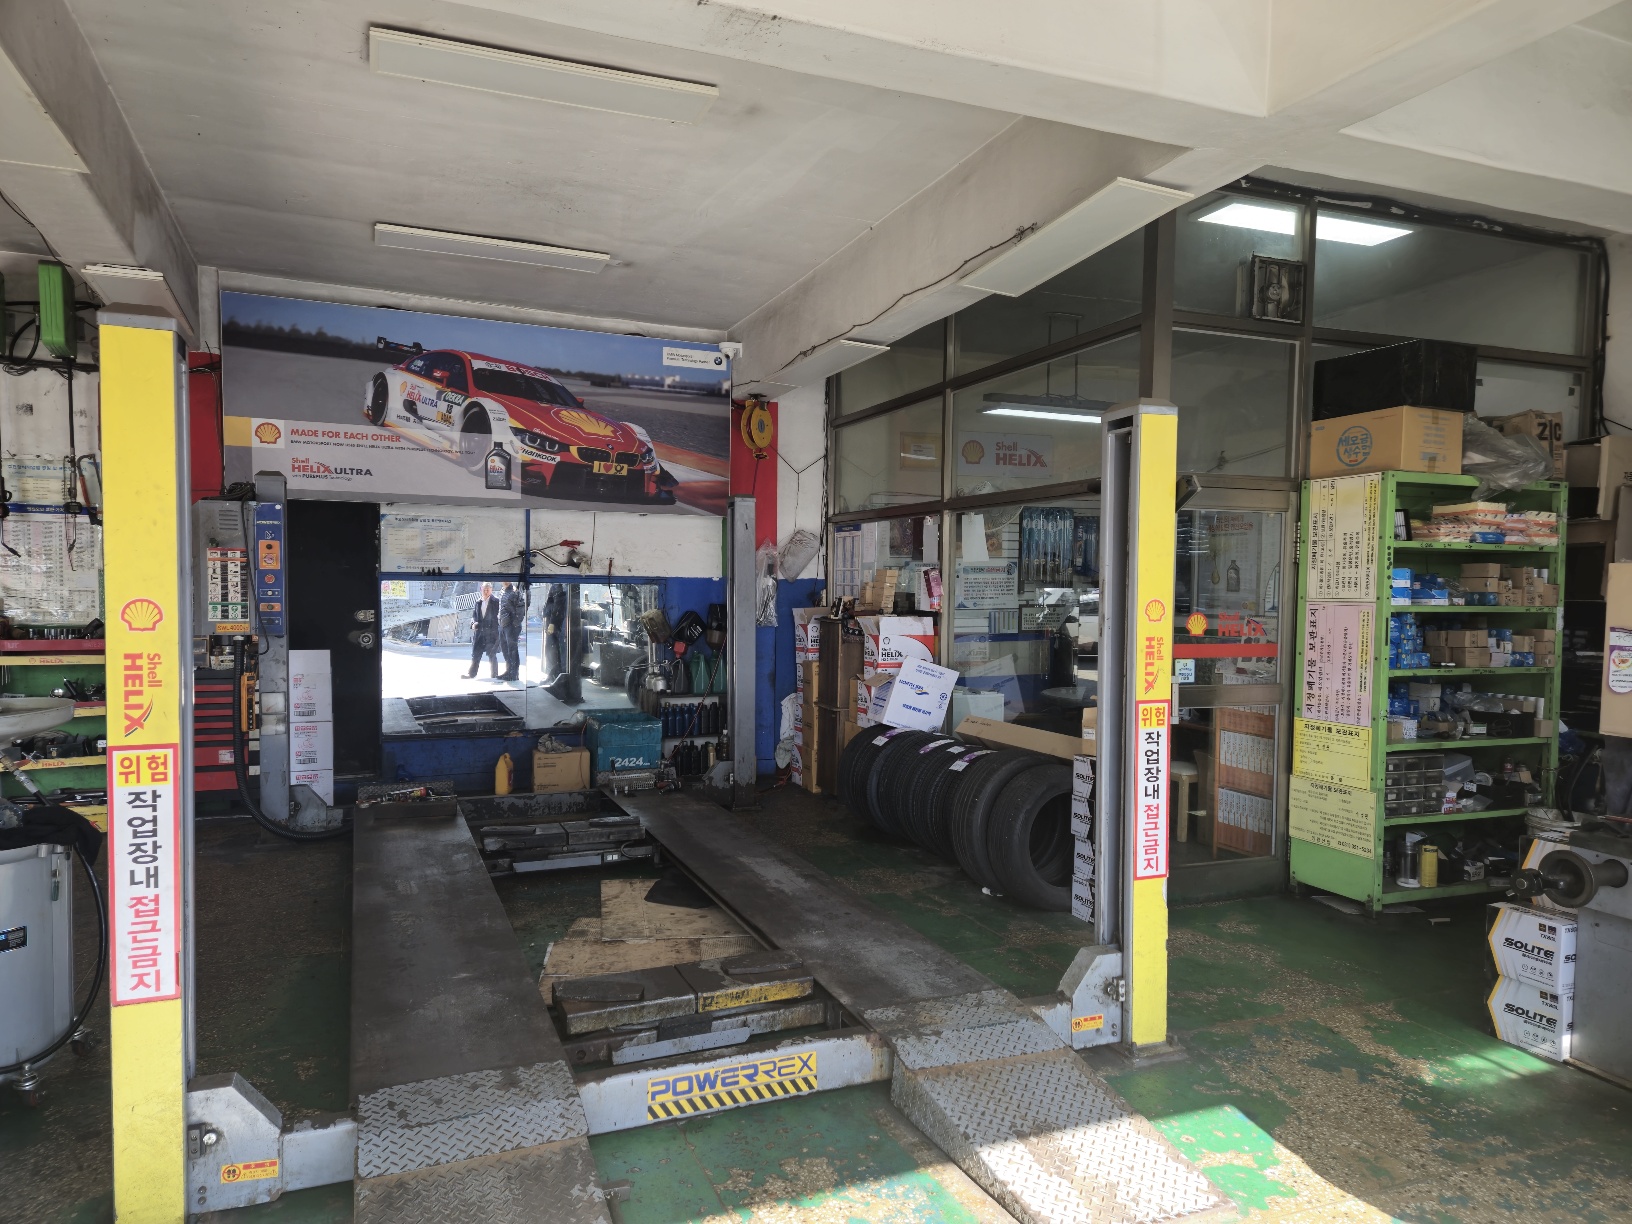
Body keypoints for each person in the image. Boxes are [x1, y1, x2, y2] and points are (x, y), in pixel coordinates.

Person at [465, 581, 501, 679]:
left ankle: (495, 676)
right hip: (479, 634)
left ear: (491, 590)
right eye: (484, 590)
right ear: (481, 590)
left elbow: (499, 617)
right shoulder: (478, 602)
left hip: (491, 634)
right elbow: (474, 616)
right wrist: (473, 624)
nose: (485, 591)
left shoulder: (496, 601)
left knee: (492, 655)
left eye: (487, 590)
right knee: (476, 655)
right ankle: (471, 674)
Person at [498, 581, 526, 682]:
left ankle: (514, 674)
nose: (505, 581)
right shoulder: (502, 591)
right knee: (505, 649)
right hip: (503, 625)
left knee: (512, 650)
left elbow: (521, 609)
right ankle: (508, 671)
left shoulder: (515, 591)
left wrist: (514, 624)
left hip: (511, 626)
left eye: (507, 578)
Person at [541, 582, 568, 679]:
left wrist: (552, 622)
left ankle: (554, 675)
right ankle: (553, 674)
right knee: (552, 648)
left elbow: (558, 602)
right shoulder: (556, 584)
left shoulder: (558, 584)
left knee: (552, 648)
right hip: (553, 619)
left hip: (554, 621)